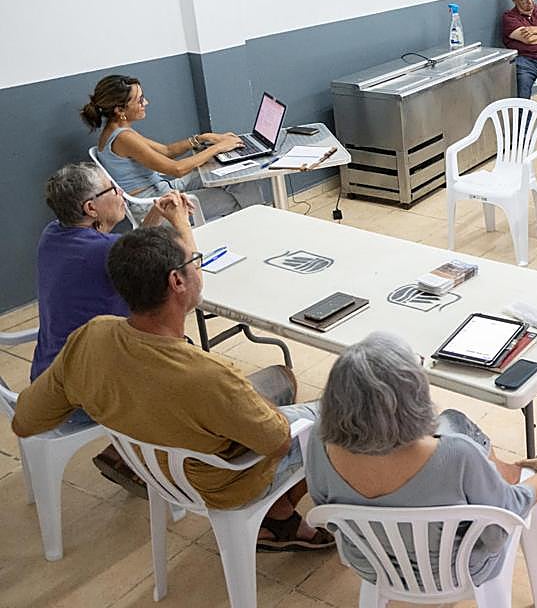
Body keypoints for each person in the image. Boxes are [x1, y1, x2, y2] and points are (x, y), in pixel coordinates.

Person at [12, 226, 334, 552]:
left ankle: (279, 514)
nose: (199, 268)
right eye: (195, 261)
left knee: (281, 378)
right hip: (223, 482)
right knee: (339, 416)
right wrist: (245, 399)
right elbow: (277, 441)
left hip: (156, 471)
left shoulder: (90, 337)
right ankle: (310, 512)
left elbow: (25, 418)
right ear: (176, 282)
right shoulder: (209, 376)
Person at [306, 333, 537, 585]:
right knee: (456, 424)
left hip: (374, 567)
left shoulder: (318, 441)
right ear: (411, 393)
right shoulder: (457, 454)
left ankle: (497, 476)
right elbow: (497, 531)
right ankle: (502, 476)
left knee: (453, 420)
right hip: (456, 571)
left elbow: (328, 515)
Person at [33, 163, 194, 496]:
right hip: (80, 398)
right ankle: (149, 457)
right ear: (91, 207)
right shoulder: (100, 252)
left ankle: (125, 452)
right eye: (112, 190)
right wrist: (180, 221)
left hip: (49, 378)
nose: (122, 193)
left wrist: (154, 220)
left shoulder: (54, 234)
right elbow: (188, 287)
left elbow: (127, 252)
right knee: (180, 362)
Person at [84, 75, 262, 221]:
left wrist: (203, 138)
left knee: (234, 173)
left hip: (162, 188)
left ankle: (259, 221)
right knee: (235, 199)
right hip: (155, 206)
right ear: (119, 110)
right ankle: (260, 222)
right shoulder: (124, 138)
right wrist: (217, 148)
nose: (146, 102)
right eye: (139, 100)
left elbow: (166, 150)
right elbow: (176, 169)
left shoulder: (117, 130)